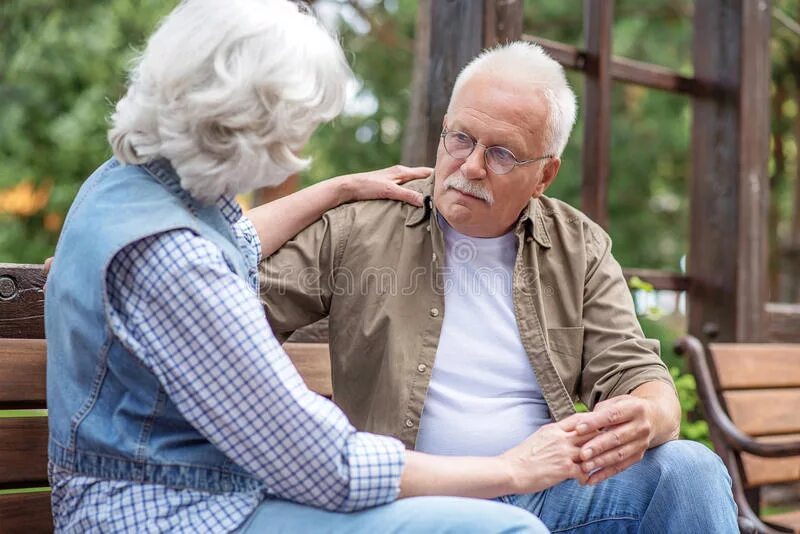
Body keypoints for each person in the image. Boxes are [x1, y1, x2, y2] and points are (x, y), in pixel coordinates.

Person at [42, 2, 610, 532]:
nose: (302, 141)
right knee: (505, 528)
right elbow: (327, 464)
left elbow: (232, 244)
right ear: (245, 118)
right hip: (173, 509)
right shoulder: (173, 263)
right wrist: (513, 470)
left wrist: (338, 188)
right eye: (299, 121)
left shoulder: (126, 184)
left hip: (197, 485)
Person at [260, 42, 739, 532]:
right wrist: (330, 190)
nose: (470, 167)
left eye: (503, 154)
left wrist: (648, 415)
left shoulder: (579, 245)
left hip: (549, 497)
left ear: (544, 175)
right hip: (417, 502)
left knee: (689, 470)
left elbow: (634, 370)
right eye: (461, 138)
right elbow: (221, 288)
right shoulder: (360, 226)